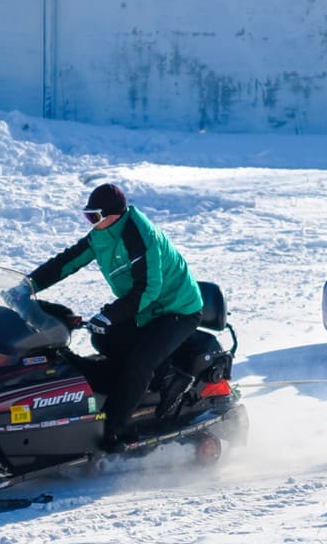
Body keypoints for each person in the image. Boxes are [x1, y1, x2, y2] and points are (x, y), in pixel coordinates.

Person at [25, 183, 204, 451]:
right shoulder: (101, 234)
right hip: (146, 307)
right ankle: (161, 376)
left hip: (177, 308)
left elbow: (148, 288)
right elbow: (66, 262)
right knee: (103, 339)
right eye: (88, 216)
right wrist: (28, 285)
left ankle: (113, 430)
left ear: (114, 214)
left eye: (94, 216)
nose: (91, 222)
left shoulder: (139, 235)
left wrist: (110, 314)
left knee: (140, 363)